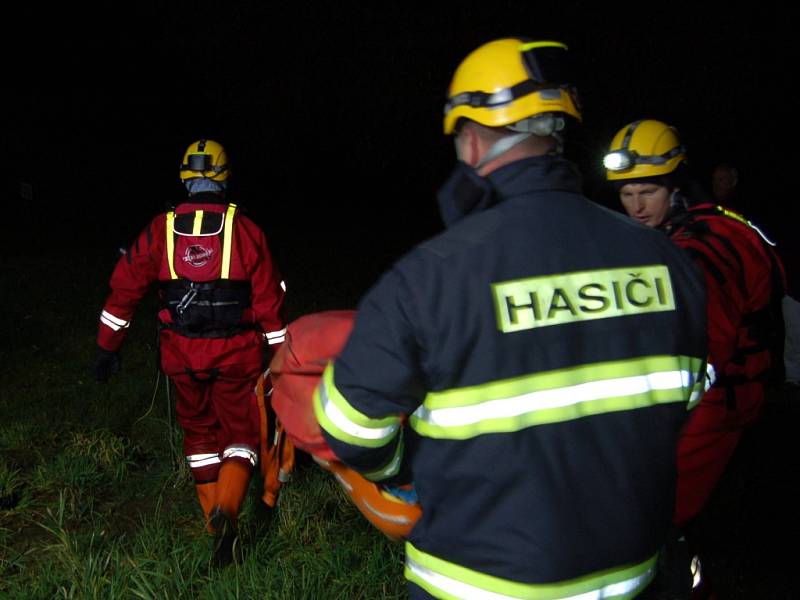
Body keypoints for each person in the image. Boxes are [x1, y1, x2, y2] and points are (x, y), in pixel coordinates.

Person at [313, 39, 709, 599]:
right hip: (630, 579)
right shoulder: (670, 263)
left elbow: (349, 426)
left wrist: (401, 470)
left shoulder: (429, 277)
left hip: (473, 583)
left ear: (470, 137)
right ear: (556, 134)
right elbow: (683, 401)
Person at [604, 119, 787, 594]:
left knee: (656, 512)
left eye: (648, 192)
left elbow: (703, 351)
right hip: (740, 394)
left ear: (676, 186)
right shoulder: (695, 229)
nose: (636, 206)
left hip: (723, 402)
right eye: (627, 194)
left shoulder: (702, 247)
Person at [94, 139, 288, 566]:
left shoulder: (159, 230)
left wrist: (107, 349)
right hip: (236, 355)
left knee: (199, 436)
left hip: (181, 356)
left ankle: (211, 523)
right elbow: (271, 304)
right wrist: (282, 358)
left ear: (184, 177)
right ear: (225, 176)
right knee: (241, 435)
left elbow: (124, 290)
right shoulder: (245, 230)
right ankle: (229, 510)